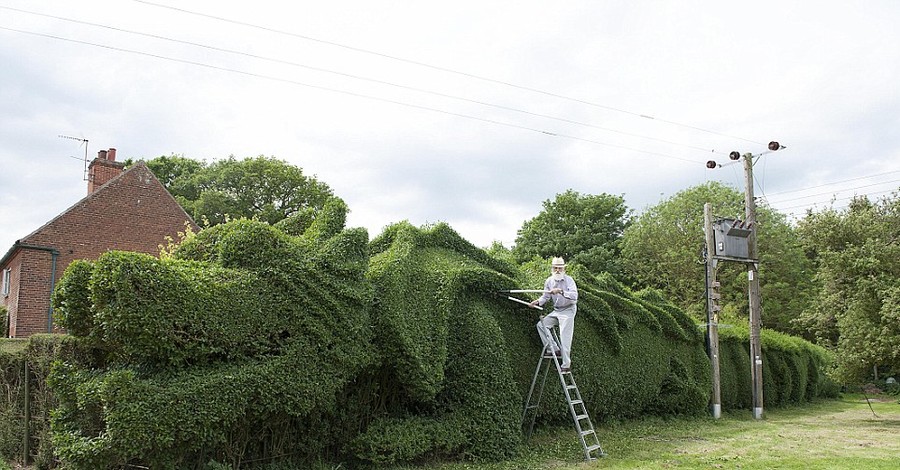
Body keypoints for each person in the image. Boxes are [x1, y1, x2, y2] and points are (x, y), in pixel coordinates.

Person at [530, 257, 578, 372]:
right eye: (555, 268)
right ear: (552, 269)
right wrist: (537, 302)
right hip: (557, 310)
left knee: (564, 336)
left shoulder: (569, 280)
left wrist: (561, 291)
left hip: (568, 310)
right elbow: (545, 296)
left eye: (560, 268)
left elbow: (574, 296)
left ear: (563, 269)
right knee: (541, 325)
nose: (557, 270)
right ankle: (554, 349)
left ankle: (566, 365)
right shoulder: (549, 281)